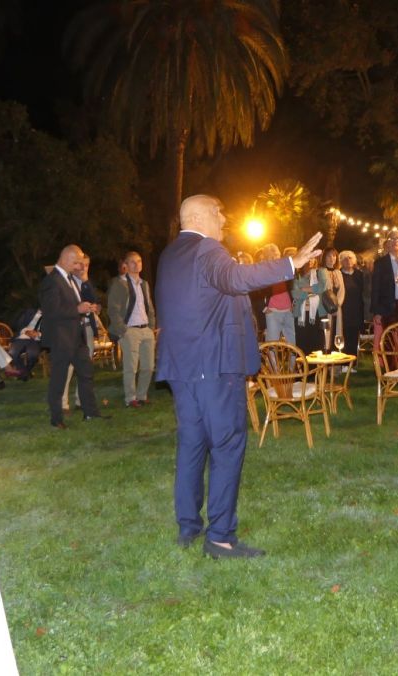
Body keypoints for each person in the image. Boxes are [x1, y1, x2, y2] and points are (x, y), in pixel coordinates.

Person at [155, 194, 322, 559]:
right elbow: (235, 278)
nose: (224, 219)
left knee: (192, 445)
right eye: (219, 213)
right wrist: (291, 263)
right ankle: (220, 538)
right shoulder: (206, 249)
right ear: (199, 217)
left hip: (183, 367)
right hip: (214, 366)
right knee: (227, 445)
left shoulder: (169, 255)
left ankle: (188, 527)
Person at [38, 245, 106, 429]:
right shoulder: (51, 281)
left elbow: (74, 304)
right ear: (66, 259)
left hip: (77, 336)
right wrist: (77, 309)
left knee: (86, 373)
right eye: (77, 263)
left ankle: (90, 413)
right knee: (59, 379)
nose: (79, 267)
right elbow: (51, 311)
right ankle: (56, 419)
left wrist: (86, 307)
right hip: (61, 337)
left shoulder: (69, 279)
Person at [107, 251, 157, 408]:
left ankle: (142, 395)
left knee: (148, 366)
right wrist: (123, 330)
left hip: (146, 329)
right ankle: (130, 398)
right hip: (130, 330)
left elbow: (149, 307)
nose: (137, 264)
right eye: (133, 262)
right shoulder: (119, 284)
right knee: (131, 367)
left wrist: (151, 327)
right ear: (126, 265)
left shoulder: (144, 284)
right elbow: (113, 309)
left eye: (139, 261)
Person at [370, 232, 398, 346]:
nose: (395, 241)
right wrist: (377, 311)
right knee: (390, 341)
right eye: (392, 239)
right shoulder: (380, 263)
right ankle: (390, 359)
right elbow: (375, 288)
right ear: (387, 243)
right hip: (387, 307)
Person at [291, 256, 331, 353]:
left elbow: (322, 287)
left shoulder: (321, 271)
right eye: (308, 258)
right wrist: (311, 293)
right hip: (301, 314)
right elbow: (294, 293)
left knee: (317, 345)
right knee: (301, 345)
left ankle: (317, 363)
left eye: (312, 258)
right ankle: (303, 363)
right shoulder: (297, 274)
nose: (310, 261)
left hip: (318, 313)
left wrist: (304, 289)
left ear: (316, 260)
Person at [259, 244, 295, 344]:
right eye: (271, 256)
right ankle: (272, 357)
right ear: (267, 258)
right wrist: (265, 308)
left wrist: (292, 303)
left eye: (276, 255)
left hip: (288, 310)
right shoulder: (264, 272)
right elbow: (258, 292)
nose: (275, 258)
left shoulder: (285, 269)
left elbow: (291, 288)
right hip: (273, 311)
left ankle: (292, 356)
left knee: (292, 342)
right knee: (272, 342)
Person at [337, 250, 365, 357]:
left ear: (354, 261)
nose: (348, 260)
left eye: (350, 258)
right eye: (344, 258)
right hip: (343, 311)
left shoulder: (359, 274)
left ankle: (353, 361)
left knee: (354, 337)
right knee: (343, 337)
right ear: (341, 262)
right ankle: (343, 361)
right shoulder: (338, 274)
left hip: (357, 311)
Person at [322, 248, 345, 351]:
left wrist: (337, 305)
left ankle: (337, 352)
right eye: (329, 256)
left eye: (334, 256)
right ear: (324, 258)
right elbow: (323, 290)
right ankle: (326, 351)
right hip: (325, 306)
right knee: (326, 332)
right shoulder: (321, 271)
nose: (332, 258)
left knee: (337, 329)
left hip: (337, 306)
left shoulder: (338, 272)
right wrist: (330, 305)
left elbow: (342, 290)